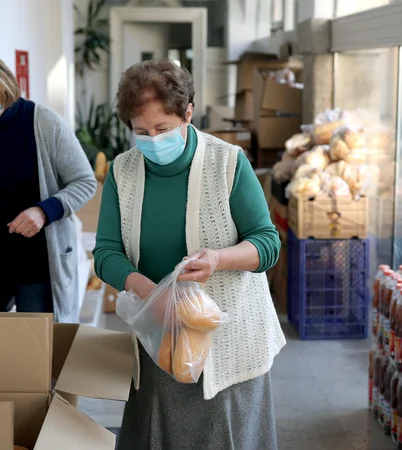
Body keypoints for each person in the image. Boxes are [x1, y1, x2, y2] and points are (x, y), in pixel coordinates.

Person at [93, 59, 286, 449]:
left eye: (163, 129)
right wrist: (150, 293)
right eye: (141, 132)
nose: (152, 140)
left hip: (227, 340)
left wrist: (218, 259)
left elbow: (267, 243)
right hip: (159, 339)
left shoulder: (227, 163)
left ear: (187, 113)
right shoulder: (122, 172)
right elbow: (106, 253)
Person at [0, 43, 96, 322]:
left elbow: (84, 181)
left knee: (37, 353)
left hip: (38, 267)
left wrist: (43, 211)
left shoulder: (45, 124)